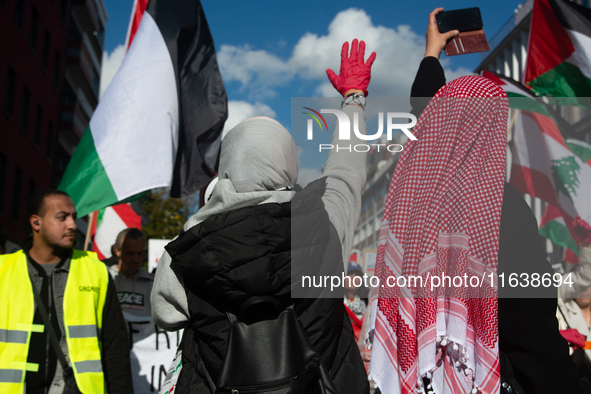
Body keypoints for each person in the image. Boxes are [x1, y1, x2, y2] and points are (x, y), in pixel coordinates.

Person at [369, 8, 584, 394]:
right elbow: (531, 332)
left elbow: (430, 116)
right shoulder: (499, 209)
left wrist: (431, 54)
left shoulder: (418, 203)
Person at [151, 39, 375, 393]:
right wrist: (354, 97)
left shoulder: (187, 247)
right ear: (288, 166)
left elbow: (166, 316)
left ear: (225, 167)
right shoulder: (324, 223)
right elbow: (347, 171)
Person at [0, 190, 132, 393]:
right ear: (36, 222)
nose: (72, 225)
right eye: (62, 217)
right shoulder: (3, 270)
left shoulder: (96, 271)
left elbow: (115, 347)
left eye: (73, 217)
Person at [108, 228, 153, 318]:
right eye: (130, 253)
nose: (136, 259)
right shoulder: (106, 279)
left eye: (140, 253)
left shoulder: (153, 283)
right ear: (117, 251)